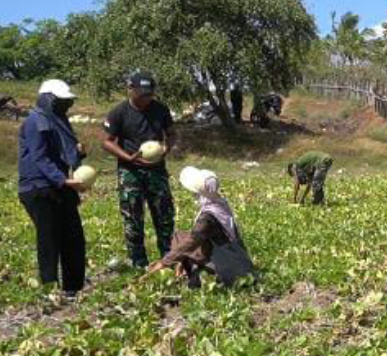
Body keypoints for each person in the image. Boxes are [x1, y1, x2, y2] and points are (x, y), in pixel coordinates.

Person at [17, 79, 89, 301]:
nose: (65, 105)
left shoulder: (59, 121)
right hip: (38, 187)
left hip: (58, 185)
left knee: (73, 238)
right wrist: (63, 180)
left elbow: (63, 155)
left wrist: (79, 154)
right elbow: (40, 157)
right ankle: (50, 291)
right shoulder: (35, 121)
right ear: (47, 98)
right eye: (60, 101)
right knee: (49, 239)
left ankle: (73, 289)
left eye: (67, 102)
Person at [101, 71, 177, 268]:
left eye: (149, 94)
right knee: (133, 217)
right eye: (142, 94)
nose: (146, 98)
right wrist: (127, 157)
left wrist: (167, 148)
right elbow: (107, 142)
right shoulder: (119, 112)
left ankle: (168, 258)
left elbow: (171, 133)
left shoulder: (161, 109)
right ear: (131, 90)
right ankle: (138, 261)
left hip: (156, 170)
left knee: (164, 215)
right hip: (130, 171)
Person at [145, 167, 254, 287]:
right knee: (179, 236)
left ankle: (193, 275)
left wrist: (163, 263)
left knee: (194, 275)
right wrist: (180, 260)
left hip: (229, 267)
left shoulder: (207, 218)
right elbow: (193, 239)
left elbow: (191, 242)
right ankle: (183, 269)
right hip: (235, 257)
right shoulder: (219, 204)